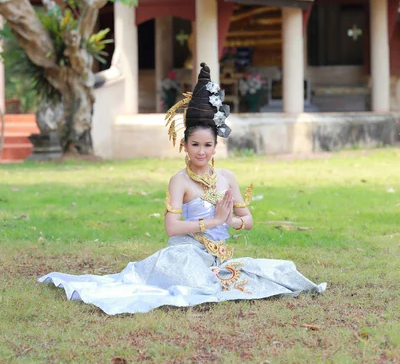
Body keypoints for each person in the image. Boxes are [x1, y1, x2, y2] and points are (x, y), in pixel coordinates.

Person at [38, 63, 326, 314]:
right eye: (195, 145)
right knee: (197, 281)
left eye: (208, 145)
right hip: (183, 254)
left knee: (273, 270)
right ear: (184, 145)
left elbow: (248, 221)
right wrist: (212, 221)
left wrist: (231, 221)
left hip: (218, 258)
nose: (201, 152)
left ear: (216, 146)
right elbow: (171, 228)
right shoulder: (180, 181)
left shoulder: (227, 177)